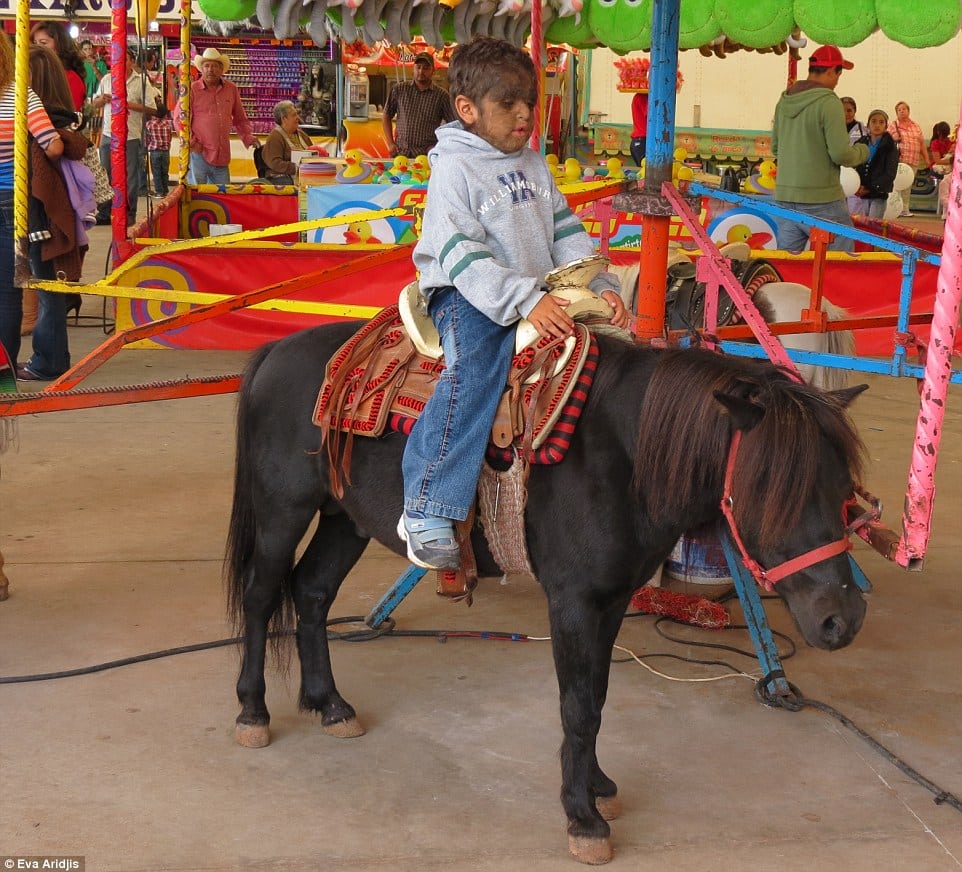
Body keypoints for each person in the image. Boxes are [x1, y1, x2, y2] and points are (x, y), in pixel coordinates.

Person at [397, 37, 629, 570]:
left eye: (529, 101)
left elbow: (565, 231)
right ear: (467, 109)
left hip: (535, 291)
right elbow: (461, 253)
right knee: (476, 371)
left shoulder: (532, 164)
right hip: (468, 293)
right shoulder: (455, 169)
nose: (524, 113)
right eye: (508, 104)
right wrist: (524, 297)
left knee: (614, 350)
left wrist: (602, 284)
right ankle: (427, 503)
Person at [17, 44, 94, 382]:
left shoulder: (35, 120)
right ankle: (53, 356)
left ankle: (47, 360)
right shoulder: (67, 118)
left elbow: (40, 180)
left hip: (41, 219)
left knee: (45, 290)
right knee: (51, 289)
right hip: (61, 218)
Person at [0, 32, 62, 371]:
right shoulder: (22, 94)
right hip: (13, 200)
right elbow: (52, 145)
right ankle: (4, 371)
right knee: (9, 291)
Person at [771, 45, 868, 254]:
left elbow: (776, 148)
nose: (838, 80)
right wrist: (863, 151)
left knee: (787, 263)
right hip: (821, 199)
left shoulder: (784, 99)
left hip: (785, 195)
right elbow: (841, 154)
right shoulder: (828, 101)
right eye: (839, 74)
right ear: (831, 71)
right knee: (839, 255)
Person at [92, 48, 158, 228]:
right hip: (108, 134)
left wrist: (127, 104)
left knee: (130, 178)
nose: (119, 63)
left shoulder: (141, 81)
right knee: (105, 174)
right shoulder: (106, 80)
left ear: (131, 62)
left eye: (124, 59)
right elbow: (94, 102)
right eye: (115, 60)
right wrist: (102, 100)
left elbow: (152, 109)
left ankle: (130, 213)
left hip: (131, 135)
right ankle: (105, 212)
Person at [186, 47, 258, 185]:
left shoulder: (231, 89)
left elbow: (240, 118)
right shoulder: (192, 89)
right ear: (201, 68)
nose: (210, 69)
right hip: (199, 153)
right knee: (197, 195)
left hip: (222, 154)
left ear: (221, 69)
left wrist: (248, 137)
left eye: (214, 66)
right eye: (206, 65)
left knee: (223, 194)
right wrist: (191, 142)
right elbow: (180, 119)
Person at [382, 51, 455, 159]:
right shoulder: (399, 90)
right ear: (413, 68)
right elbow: (386, 116)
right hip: (401, 154)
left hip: (427, 157)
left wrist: (439, 146)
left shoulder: (442, 96)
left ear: (433, 71)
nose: (421, 71)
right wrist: (390, 144)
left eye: (426, 68)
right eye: (418, 67)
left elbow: (453, 125)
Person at [851, 109, 899, 220]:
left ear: (886, 126)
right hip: (860, 193)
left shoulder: (890, 147)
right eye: (874, 121)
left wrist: (870, 187)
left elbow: (890, 173)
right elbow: (854, 166)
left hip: (878, 193)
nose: (877, 125)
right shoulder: (860, 143)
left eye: (881, 122)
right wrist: (857, 186)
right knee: (859, 225)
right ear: (868, 125)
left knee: (873, 226)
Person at [30, 21, 86, 113]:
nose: (37, 48)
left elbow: (70, 113)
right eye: (35, 43)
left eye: (43, 43)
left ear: (60, 45)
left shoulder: (70, 77)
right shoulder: (37, 74)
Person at [887, 101, 930, 218]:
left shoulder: (916, 126)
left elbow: (921, 144)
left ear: (908, 111)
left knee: (907, 185)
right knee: (896, 185)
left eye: (904, 109)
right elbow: (885, 142)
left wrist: (926, 159)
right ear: (896, 112)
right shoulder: (892, 125)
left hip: (913, 160)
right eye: (899, 110)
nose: (902, 111)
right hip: (898, 160)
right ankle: (894, 209)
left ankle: (905, 209)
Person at [261, 100, 313, 184]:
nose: (297, 118)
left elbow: (313, 151)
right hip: (283, 178)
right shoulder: (275, 136)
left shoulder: (302, 134)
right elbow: (275, 163)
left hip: (305, 173)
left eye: (297, 114)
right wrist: (297, 167)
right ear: (284, 119)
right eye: (293, 115)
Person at [144, 98, 175, 196]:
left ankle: (159, 192)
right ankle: (165, 190)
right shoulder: (168, 124)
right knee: (165, 172)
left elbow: (147, 139)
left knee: (156, 172)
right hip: (165, 151)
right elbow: (169, 138)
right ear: (165, 114)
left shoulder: (149, 124)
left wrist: (146, 146)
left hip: (154, 151)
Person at [629, 90, 648, 167]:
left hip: (640, 140)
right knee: (646, 172)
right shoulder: (642, 97)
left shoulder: (641, 97)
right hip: (642, 140)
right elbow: (651, 116)